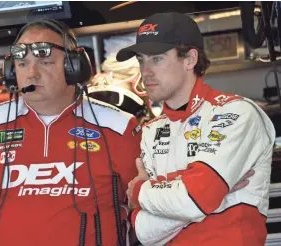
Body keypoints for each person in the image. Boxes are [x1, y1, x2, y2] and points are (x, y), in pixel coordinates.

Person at [0, 19, 142, 246]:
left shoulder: (119, 127)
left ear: (74, 67)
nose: (31, 74)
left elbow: (143, 209)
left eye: (45, 62)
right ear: (12, 72)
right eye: (22, 64)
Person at [117, 12, 276, 246]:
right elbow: (143, 230)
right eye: (141, 60)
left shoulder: (235, 114)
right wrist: (212, 195)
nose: (146, 71)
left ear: (190, 59)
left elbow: (194, 199)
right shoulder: (150, 131)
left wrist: (141, 191)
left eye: (157, 59)